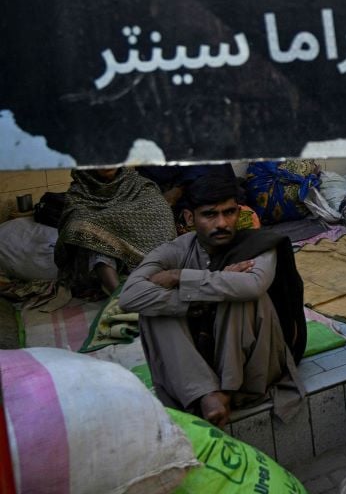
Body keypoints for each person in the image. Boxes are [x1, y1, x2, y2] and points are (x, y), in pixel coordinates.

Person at [119, 172, 307, 427]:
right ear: (190, 217)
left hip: (255, 364)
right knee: (153, 311)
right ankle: (207, 393)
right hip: (200, 362)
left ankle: (225, 391)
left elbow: (252, 284)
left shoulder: (258, 244)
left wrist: (180, 277)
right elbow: (130, 296)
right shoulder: (175, 250)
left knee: (239, 295)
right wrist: (197, 301)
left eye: (229, 213)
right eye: (210, 214)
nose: (222, 223)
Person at [55, 167, 177, 297]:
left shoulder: (139, 185)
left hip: (140, 256)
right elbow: (74, 224)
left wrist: (116, 223)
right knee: (91, 235)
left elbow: (159, 209)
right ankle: (119, 297)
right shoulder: (78, 193)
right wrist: (105, 227)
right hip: (98, 260)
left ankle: (150, 282)